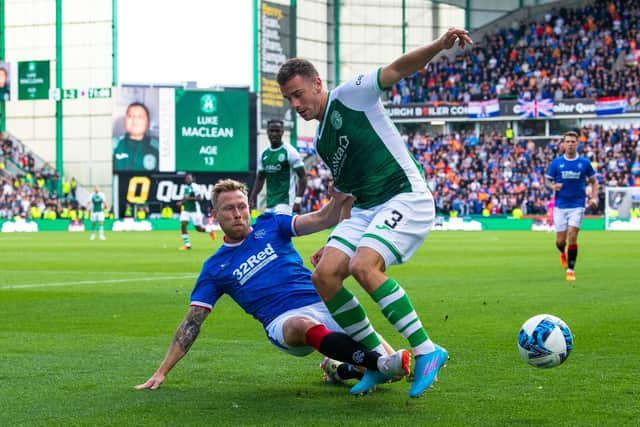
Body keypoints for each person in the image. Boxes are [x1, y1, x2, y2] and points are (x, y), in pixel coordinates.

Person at [277, 27, 473, 398]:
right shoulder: (320, 140)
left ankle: (428, 350)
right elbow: (348, 193)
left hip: (404, 195)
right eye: (289, 99)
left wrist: (439, 46)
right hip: (366, 207)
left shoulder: (352, 94)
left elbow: (398, 68)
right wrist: (335, 241)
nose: (296, 105)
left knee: (363, 267)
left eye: (298, 94)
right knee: (324, 275)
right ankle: (375, 362)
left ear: (318, 84)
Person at [135, 179, 410, 392]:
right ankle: (376, 363)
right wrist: (161, 372)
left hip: (323, 302)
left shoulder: (271, 225)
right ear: (215, 214)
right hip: (283, 321)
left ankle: (341, 368)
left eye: (242, 206)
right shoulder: (214, 268)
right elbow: (192, 324)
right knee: (302, 326)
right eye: (229, 209)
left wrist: (340, 197)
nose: (238, 214)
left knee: (396, 375)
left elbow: (323, 218)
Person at [545, 131, 598, 281]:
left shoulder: (584, 163)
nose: (570, 144)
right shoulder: (556, 163)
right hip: (560, 206)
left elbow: (594, 181)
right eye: (567, 141)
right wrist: (553, 186)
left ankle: (570, 270)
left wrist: (594, 197)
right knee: (560, 241)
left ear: (577, 143)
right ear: (563, 144)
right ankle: (562, 253)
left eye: (572, 141)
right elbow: (548, 180)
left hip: (577, 205)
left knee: (572, 236)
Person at [249, 119, 307, 214]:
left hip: (286, 202)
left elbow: (303, 177)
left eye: (277, 131)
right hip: (270, 203)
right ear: (267, 132)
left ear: (282, 132)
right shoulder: (264, 154)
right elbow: (260, 179)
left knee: (277, 224)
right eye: (271, 131)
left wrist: (298, 200)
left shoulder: (290, 152)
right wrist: (252, 198)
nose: (274, 134)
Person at [113, 102, 159, 172]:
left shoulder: (158, 147)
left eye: (140, 117)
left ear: (148, 123)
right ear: (125, 121)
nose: (134, 120)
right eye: (130, 116)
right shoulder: (114, 145)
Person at [177, 173, 216, 250]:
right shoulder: (186, 188)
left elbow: (200, 198)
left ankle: (210, 231)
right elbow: (185, 198)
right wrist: (181, 202)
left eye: (189, 178)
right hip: (186, 210)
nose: (188, 179)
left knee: (199, 229)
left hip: (195, 210)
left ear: (192, 179)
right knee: (183, 224)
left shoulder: (196, 187)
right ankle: (187, 245)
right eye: (187, 178)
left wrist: (189, 198)